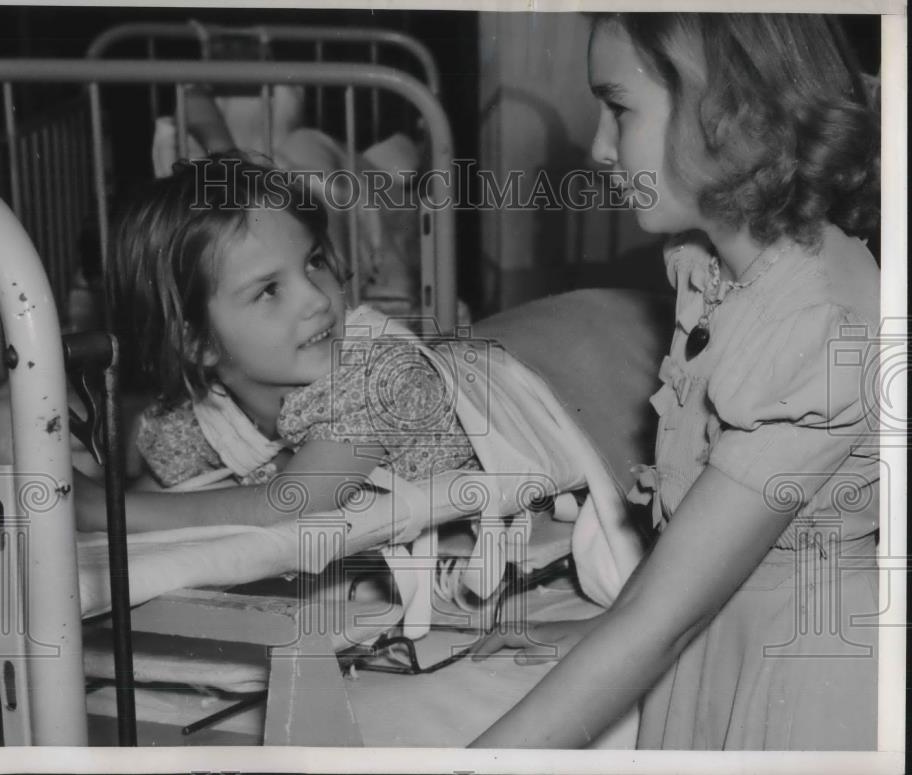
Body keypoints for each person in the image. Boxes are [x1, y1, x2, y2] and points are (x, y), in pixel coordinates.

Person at [470, 13, 880, 750]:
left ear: (728, 111)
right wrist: (587, 637)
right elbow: (690, 565)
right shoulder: (726, 272)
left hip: (794, 691)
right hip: (720, 645)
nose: (599, 148)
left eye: (618, 108)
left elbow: (664, 622)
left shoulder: (815, 323)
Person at [75, 156, 478, 533]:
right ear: (197, 342)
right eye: (269, 290)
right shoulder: (206, 416)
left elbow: (292, 506)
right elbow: (156, 505)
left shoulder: (378, 376)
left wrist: (103, 509)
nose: (318, 300)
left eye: (314, 262)